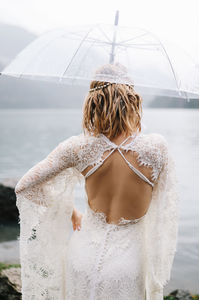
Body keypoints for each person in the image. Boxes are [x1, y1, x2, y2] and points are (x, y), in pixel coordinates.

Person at [15, 63, 179, 300]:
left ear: (93, 102)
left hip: (81, 257)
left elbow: (25, 186)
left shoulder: (79, 147)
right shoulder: (156, 148)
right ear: (133, 100)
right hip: (128, 266)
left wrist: (70, 212)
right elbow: (166, 213)